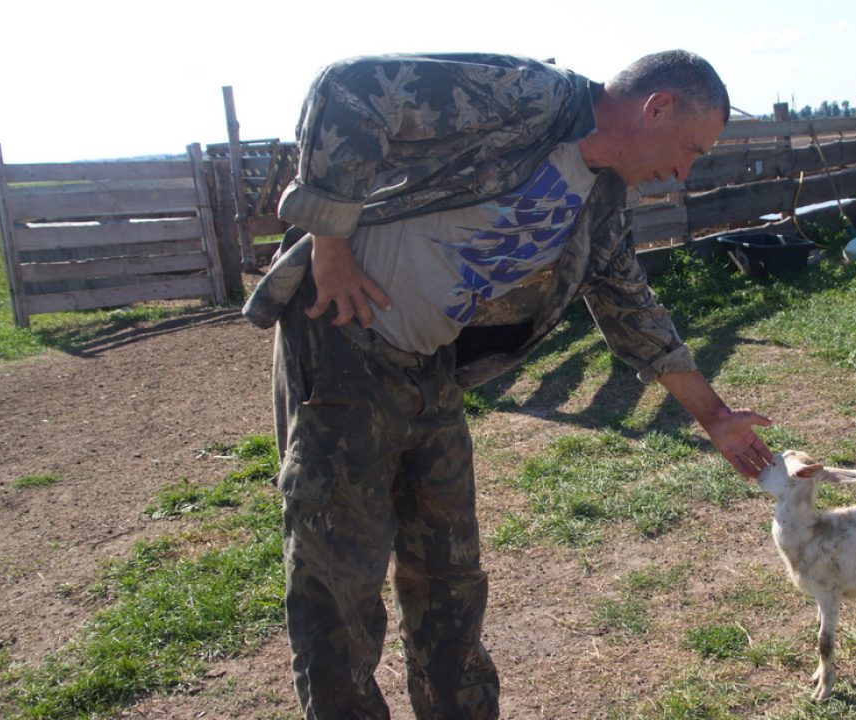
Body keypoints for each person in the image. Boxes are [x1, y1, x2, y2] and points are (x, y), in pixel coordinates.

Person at [243, 49, 774, 720]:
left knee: (451, 581)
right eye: (689, 149)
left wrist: (715, 418)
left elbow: (631, 309)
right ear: (657, 107)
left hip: (428, 368)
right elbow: (351, 88)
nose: (681, 171)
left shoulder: (602, 198)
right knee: (338, 588)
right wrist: (330, 244)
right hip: (343, 346)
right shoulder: (530, 98)